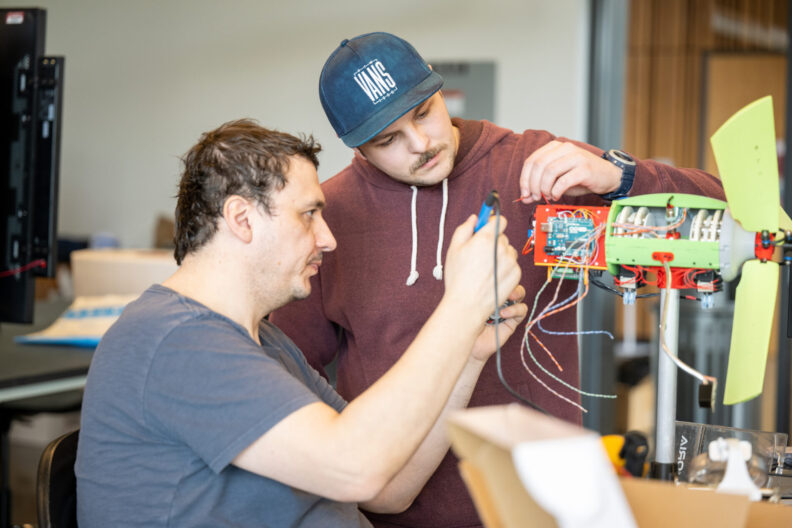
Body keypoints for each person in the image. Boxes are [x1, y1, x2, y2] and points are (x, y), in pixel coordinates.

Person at [268, 32, 727, 528]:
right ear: (357, 146)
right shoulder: (328, 220)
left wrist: (622, 177)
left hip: (547, 507)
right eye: (388, 139)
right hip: (397, 513)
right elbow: (288, 376)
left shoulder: (537, 164)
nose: (420, 145)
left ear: (440, 92)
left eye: (424, 112)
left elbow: (730, 216)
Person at [74, 119, 526, 527]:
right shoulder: (175, 341)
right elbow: (357, 469)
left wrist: (469, 351)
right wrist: (459, 308)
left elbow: (389, 489)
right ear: (241, 218)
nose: (327, 239)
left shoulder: (265, 342)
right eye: (308, 214)